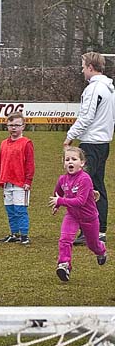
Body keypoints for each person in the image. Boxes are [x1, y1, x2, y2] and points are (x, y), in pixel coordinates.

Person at [64, 52, 115, 245]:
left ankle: (89, 229)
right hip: (103, 144)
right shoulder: (110, 88)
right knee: (97, 185)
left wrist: (70, 136)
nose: (82, 70)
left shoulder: (94, 89)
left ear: (91, 68)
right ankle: (100, 229)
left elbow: (86, 117)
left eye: (83, 66)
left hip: (91, 143)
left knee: (84, 185)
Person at [50, 147, 108, 282]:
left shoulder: (85, 179)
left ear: (82, 163)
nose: (70, 162)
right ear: (63, 163)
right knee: (65, 239)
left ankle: (101, 250)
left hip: (89, 218)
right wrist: (56, 204)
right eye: (67, 159)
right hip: (72, 216)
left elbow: (80, 201)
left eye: (74, 159)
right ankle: (64, 265)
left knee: (92, 244)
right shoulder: (62, 179)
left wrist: (60, 201)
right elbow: (58, 193)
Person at [0, 111, 35, 245]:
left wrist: (28, 180)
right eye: (11, 125)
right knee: (10, 209)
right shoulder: (4, 143)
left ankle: (24, 235)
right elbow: (0, 161)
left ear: (23, 126)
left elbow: (30, 163)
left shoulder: (26, 143)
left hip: (20, 183)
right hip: (6, 181)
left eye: (17, 125)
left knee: (20, 209)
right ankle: (14, 233)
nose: (13, 128)